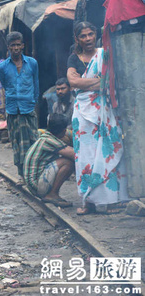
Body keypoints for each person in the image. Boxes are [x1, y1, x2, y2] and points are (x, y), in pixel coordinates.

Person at [67, 22, 129, 215]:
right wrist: (100, 83)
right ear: (77, 39)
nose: (87, 39)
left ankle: (111, 201)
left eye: (90, 34)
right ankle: (88, 201)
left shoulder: (105, 53)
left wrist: (89, 84)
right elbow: (73, 82)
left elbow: (114, 79)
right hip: (84, 114)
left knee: (107, 151)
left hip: (105, 110)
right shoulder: (73, 58)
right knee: (86, 156)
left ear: (96, 35)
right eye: (83, 36)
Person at [0, 31, 39, 178]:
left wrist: (32, 101)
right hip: (13, 109)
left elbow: (36, 84)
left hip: (28, 108)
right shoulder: (2, 67)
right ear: (8, 47)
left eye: (18, 45)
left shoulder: (32, 63)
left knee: (33, 140)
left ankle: (33, 173)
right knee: (17, 143)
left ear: (22, 45)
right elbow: (4, 85)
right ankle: (21, 175)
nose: (16, 48)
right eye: (12, 45)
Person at [23, 114, 75, 207]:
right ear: (63, 130)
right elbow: (75, 155)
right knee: (68, 162)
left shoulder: (46, 136)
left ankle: (52, 193)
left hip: (33, 183)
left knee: (65, 159)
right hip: (36, 185)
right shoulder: (49, 140)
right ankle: (52, 194)